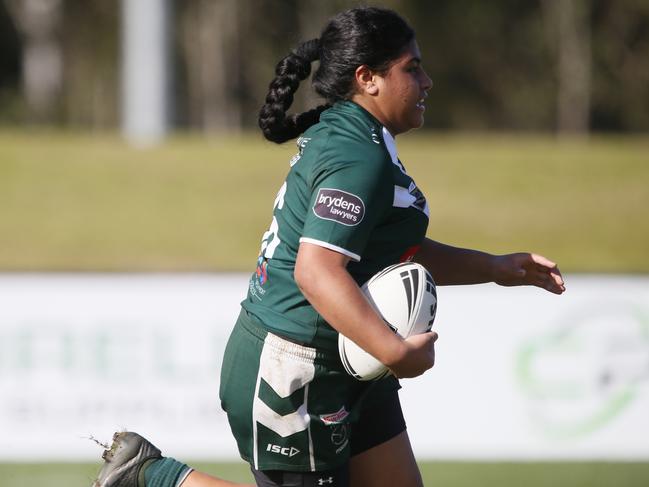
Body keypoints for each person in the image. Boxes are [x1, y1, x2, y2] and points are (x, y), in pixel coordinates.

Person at [92, 6, 565, 487]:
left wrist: (496, 267)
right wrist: (396, 352)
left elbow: (388, 248)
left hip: (347, 356)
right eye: (412, 67)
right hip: (293, 371)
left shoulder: (359, 137)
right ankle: (154, 476)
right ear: (368, 78)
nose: (427, 81)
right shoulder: (359, 156)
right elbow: (316, 271)